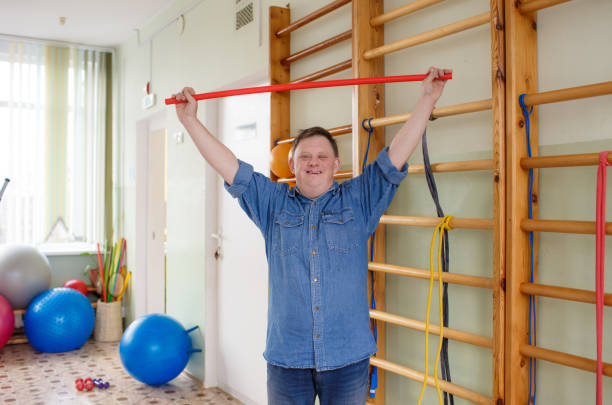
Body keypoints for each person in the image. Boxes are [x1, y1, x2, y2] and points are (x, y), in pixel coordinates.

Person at [173, 66, 451, 405]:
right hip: (288, 359)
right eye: (305, 156)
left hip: (348, 358)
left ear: (336, 164)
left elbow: (396, 156)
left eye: (322, 157)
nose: (313, 163)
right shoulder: (272, 204)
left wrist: (427, 98)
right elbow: (229, 165)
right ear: (292, 164)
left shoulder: (359, 200)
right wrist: (189, 121)